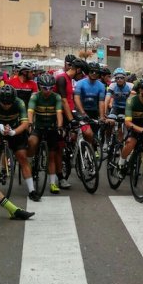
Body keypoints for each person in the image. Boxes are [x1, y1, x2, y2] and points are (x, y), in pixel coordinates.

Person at [0, 85, 39, 200]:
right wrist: (0, 128)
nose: (7, 106)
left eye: (9, 103)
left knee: (22, 157)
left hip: (16, 129)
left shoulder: (19, 102)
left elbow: (25, 124)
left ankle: (32, 190)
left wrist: (13, 132)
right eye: (4, 103)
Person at [27, 73, 64, 194]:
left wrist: (59, 126)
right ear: (39, 86)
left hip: (52, 128)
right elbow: (30, 112)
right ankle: (32, 159)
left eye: (50, 88)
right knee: (32, 141)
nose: (48, 91)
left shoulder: (56, 97)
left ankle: (53, 183)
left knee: (52, 156)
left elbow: (59, 113)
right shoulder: (35, 97)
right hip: (38, 127)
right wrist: (30, 124)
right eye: (44, 88)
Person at [54, 58, 87, 189]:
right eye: (82, 73)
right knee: (59, 147)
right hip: (61, 114)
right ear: (78, 70)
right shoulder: (62, 78)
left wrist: (81, 116)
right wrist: (71, 118)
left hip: (70, 112)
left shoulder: (71, 80)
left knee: (83, 127)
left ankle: (74, 151)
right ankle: (60, 177)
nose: (83, 76)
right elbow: (63, 101)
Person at [73, 61, 106, 147]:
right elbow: (76, 98)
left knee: (93, 136)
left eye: (96, 72)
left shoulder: (101, 86)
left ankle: (92, 152)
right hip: (81, 111)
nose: (94, 74)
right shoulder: (80, 83)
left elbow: (101, 101)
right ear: (88, 72)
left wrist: (102, 116)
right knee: (85, 133)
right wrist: (83, 113)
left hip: (93, 112)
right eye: (92, 71)